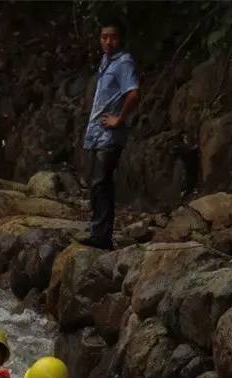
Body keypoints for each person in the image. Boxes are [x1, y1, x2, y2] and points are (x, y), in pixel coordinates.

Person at [81, 18, 140, 251]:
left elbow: (133, 94)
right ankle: (99, 232)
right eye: (104, 37)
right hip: (97, 133)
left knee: (100, 183)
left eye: (113, 37)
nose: (108, 41)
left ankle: (102, 236)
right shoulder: (106, 61)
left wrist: (119, 118)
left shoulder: (124, 62)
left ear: (121, 39)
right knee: (98, 185)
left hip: (109, 136)